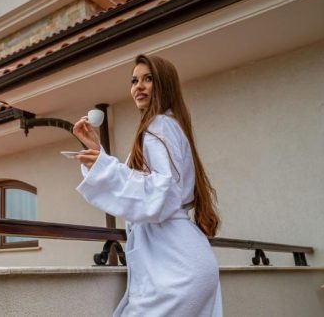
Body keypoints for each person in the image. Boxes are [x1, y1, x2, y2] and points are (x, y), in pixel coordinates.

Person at [72, 54, 223, 316]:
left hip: (174, 267)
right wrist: (99, 152)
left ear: (164, 84)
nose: (138, 86)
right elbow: (148, 183)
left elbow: (161, 193)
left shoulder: (158, 127)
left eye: (148, 79)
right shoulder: (170, 126)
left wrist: (105, 167)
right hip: (184, 260)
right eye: (134, 81)